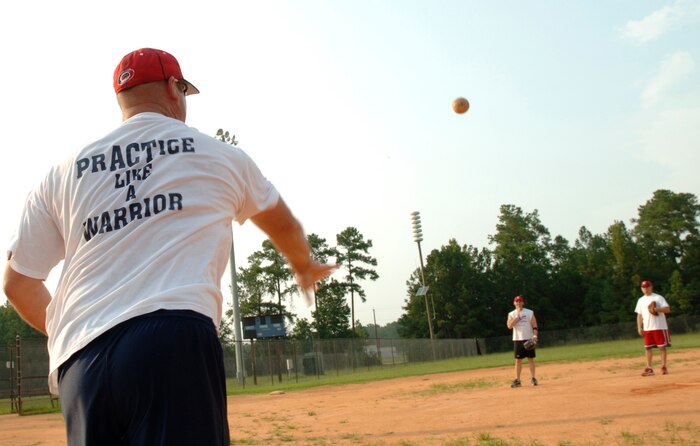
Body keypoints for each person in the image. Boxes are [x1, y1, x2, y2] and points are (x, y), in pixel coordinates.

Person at [3, 48, 335, 446]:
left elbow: (17, 283)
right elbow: (280, 221)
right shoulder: (219, 154)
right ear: (173, 89)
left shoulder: (61, 173)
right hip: (172, 339)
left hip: (82, 360)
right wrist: (304, 266)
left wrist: (77, 329)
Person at [635, 280, 671, 376]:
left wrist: (656, 309)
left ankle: (663, 367)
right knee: (647, 348)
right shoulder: (640, 300)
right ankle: (649, 368)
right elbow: (639, 315)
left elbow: (667, 309)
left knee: (662, 347)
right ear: (641, 289)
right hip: (647, 328)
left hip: (659, 326)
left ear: (651, 287)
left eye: (647, 287)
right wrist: (639, 327)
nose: (646, 289)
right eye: (643, 287)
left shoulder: (658, 297)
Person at [506, 295, 539, 387]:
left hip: (528, 338)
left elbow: (535, 326)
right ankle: (518, 380)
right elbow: (509, 326)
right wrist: (516, 318)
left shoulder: (529, 312)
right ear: (514, 303)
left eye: (520, 301)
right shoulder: (511, 314)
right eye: (517, 301)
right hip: (517, 339)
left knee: (531, 359)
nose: (518, 303)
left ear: (523, 302)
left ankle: (533, 378)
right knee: (518, 360)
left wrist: (535, 336)